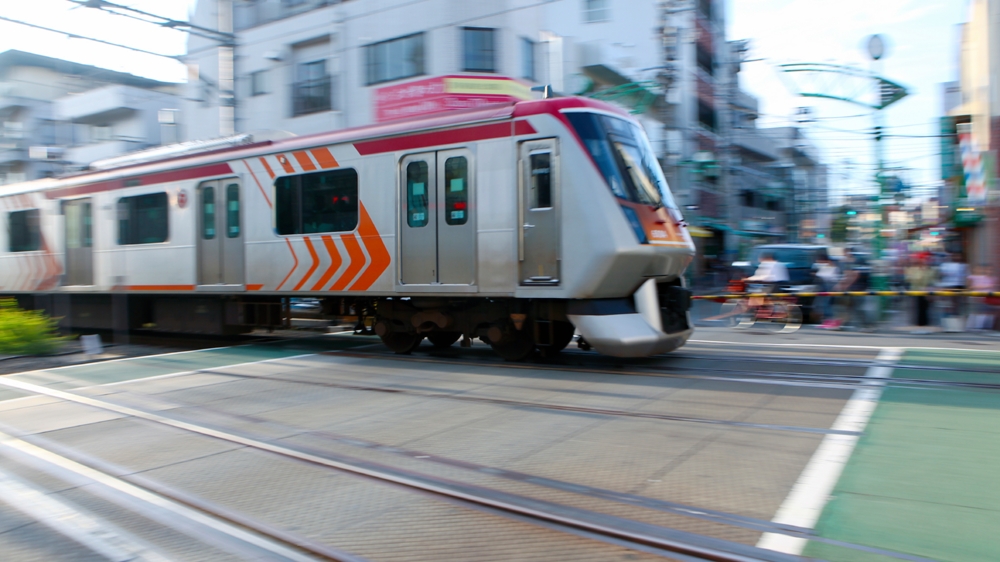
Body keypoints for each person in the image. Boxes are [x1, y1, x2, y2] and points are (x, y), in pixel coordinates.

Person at [906, 254, 936, 333]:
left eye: (925, 260)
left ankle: (925, 326)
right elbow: (909, 279)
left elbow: (932, 280)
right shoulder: (913, 269)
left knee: (926, 308)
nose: (924, 262)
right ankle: (919, 326)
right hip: (916, 291)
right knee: (917, 309)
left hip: (927, 291)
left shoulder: (930, 270)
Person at [967, 267, 996, 331]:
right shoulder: (981, 278)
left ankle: (985, 327)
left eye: (991, 270)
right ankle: (974, 327)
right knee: (977, 312)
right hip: (980, 297)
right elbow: (973, 286)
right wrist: (988, 286)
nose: (989, 272)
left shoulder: (993, 279)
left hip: (990, 298)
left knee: (987, 312)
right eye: (988, 270)